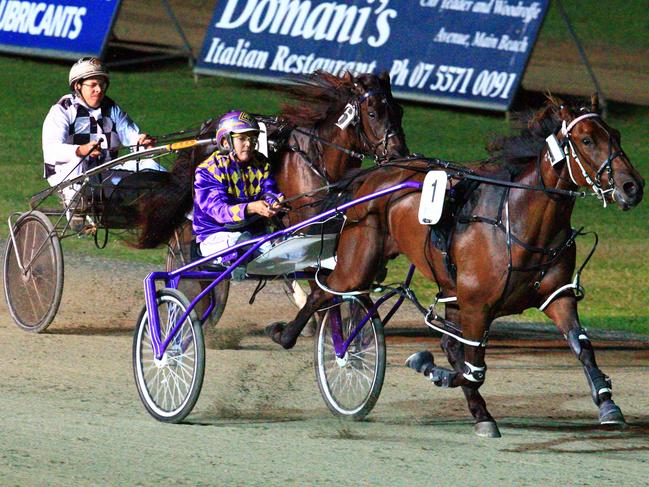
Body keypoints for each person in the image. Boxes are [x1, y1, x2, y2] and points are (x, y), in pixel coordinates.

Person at [42, 57, 162, 212]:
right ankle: (77, 207)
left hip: (105, 173)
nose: (99, 90)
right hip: (67, 174)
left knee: (152, 166)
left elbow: (131, 135)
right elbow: (52, 150)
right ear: (78, 86)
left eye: (102, 85)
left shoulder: (112, 109)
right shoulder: (62, 110)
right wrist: (80, 150)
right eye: (93, 85)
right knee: (78, 160)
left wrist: (142, 142)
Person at [193, 111, 283, 271]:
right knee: (238, 241)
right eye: (242, 139)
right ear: (225, 142)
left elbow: (270, 191)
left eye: (252, 138)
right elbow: (218, 211)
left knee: (284, 246)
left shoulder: (262, 164)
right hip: (215, 235)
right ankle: (237, 258)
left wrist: (274, 202)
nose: (249, 144)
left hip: (251, 235)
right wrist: (251, 207)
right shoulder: (209, 170)